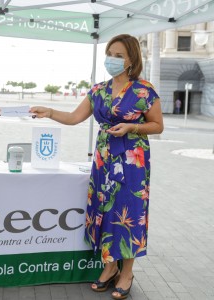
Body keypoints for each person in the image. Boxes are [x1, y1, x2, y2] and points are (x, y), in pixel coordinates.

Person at [30, 34, 164, 300]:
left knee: (129, 212)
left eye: (118, 56)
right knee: (103, 209)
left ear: (131, 60)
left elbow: (157, 126)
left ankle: (127, 272)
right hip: (103, 160)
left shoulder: (144, 90)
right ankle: (109, 265)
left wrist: (132, 126)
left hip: (132, 161)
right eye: (109, 53)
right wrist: (50, 112)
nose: (111, 60)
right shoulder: (98, 90)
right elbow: (73, 117)